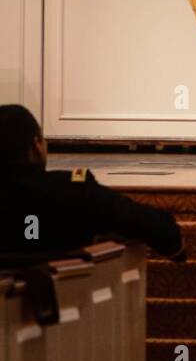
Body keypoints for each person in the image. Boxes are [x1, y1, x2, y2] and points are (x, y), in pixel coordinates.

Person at [0, 104, 185, 261]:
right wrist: (176, 249)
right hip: (67, 298)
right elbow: (152, 225)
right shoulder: (75, 191)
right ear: (36, 146)